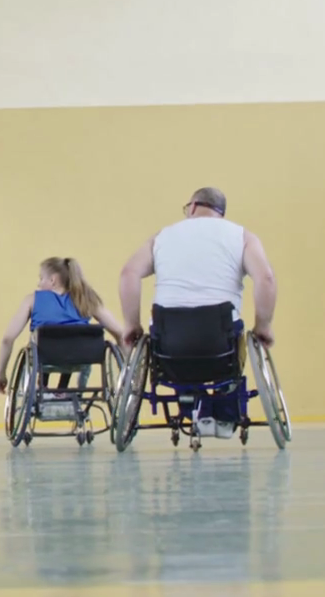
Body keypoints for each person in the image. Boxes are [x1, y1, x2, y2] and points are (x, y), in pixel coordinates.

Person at [117, 187, 277, 440]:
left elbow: (129, 274)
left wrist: (131, 324)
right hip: (219, 344)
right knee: (234, 342)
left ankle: (192, 408)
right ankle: (225, 414)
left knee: (175, 346)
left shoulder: (163, 236)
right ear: (220, 213)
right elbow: (265, 279)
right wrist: (263, 326)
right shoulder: (242, 236)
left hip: (169, 345)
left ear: (192, 207)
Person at [0, 256, 127, 394]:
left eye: (41, 279)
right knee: (71, 338)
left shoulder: (32, 300)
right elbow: (120, 333)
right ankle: (62, 388)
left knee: (46, 340)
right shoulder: (86, 299)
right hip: (80, 356)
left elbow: (8, 339)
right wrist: (126, 368)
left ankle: (42, 385)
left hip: (46, 354)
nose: (39, 284)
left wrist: (0, 373)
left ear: (53, 280)